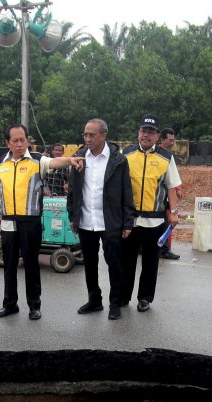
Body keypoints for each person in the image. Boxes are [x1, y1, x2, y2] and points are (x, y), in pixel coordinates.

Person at [0, 124, 81, 321]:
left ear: (27, 141)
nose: (20, 144)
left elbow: (56, 162)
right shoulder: (0, 165)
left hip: (30, 221)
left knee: (31, 264)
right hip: (7, 222)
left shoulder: (38, 161)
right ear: (7, 143)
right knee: (10, 265)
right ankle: (10, 304)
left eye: (23, 139)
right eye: (15, 140)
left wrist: (70, 160)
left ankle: (34, 305)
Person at [67, 118, 134, 321]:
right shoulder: (79, 157)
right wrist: (73, 216)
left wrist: (128, 221)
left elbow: (126, 192)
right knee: (89, 263)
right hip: (86, 220)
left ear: (103, 135)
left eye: (92, 135)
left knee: (114, 262)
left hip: (110, 221)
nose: (87, 138)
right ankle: (94, 300)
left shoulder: (118, 160)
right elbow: (72, 191)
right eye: (85, 134)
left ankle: (115, 304)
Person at [121, 115, 182, 313]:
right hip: (130, 219)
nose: (146, 135)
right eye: (143, 131)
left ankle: (145, 298)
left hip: (155, 220)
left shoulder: (166, 157)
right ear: (138, 132)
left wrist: (173, 212)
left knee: (150, 262)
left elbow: (171, 186)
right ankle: (123, 296)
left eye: (150, 132)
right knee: (127, 260)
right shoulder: (126, 154)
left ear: (157, 136)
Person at [156, 127, 181, 260]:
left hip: (166, 196)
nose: (172, 143)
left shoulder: (168, 155)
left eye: (173, 140)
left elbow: (171, 178)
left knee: (165, 222)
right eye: (170, 140)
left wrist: (177, 189)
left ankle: (164, 248)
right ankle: (164, 249)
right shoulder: (159, 154)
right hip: (158, 197)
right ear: (162, 139)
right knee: (164, 222)